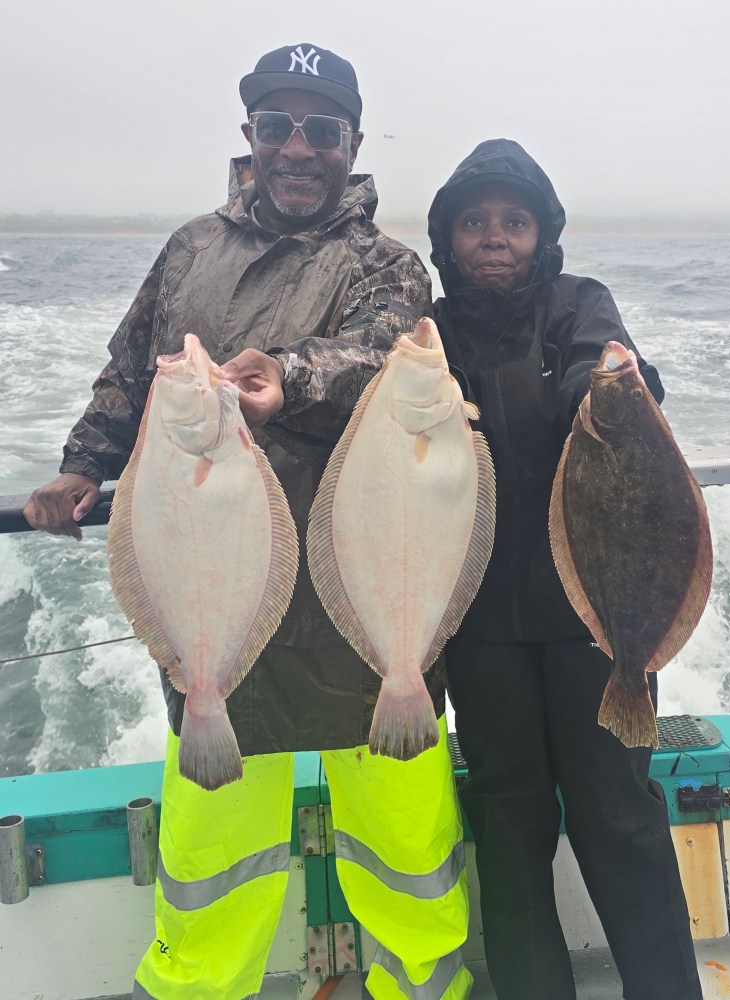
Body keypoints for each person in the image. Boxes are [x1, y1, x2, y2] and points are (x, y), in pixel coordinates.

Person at [24, 44, 472, 1000]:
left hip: (366, 588)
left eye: (323, 129)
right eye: (278, 126)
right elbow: (128, 369)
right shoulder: (190, 249)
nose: (299, 148)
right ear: (249, 140)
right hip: (214, 598)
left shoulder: (387, 264)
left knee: (404, 840)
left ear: (352, 144)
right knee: (212, 854)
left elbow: (382, 354)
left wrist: (290, 378)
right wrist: (81, 467)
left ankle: (421, 989)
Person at [427, 138, 703, 1000]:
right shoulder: (427, 336)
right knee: (508, 825)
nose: (495, 237)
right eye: (474, 224)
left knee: (618, 816)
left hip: (598, 617)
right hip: (481, 632)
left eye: (515, 221)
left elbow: (605, 359)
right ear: (448, 242)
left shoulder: (578, 303)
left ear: (543, 233)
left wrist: (610, 384)